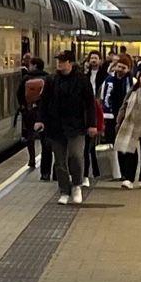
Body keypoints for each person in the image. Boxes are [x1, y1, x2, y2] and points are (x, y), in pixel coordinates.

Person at [35, 48, 96, 204]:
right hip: (56, 126)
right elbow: (44, 102)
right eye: (58, 61)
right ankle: (64, 190)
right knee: (60, 161)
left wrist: (91, 124)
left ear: (70, 63)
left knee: (76, 156)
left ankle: (77, 185)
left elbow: (90, 104)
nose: (59, 64)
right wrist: (40, 120)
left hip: (77, 126)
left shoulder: (82, 80)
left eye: (62, 62)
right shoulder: (51, 80)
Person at [21, 58, 48, 176]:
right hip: (43, 112)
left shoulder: (26, 78)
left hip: (30, 110)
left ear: (34, 66)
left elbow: (19, 93)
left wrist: (24, 106)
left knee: (30, 135)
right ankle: (45, 164)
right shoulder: (47, 78)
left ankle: (32, 159)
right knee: (45, 137)